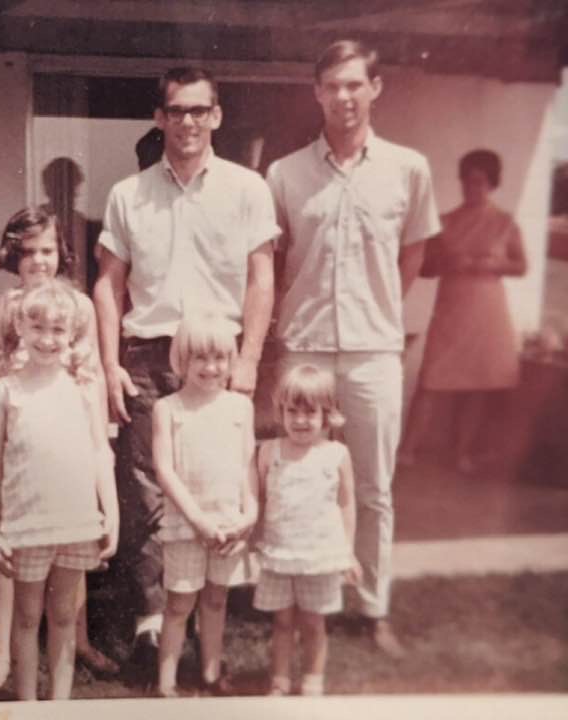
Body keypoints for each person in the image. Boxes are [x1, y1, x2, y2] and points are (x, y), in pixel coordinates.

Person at [93, 66, 279, 674]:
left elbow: (261, 278)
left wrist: (248, 360)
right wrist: (109, 364)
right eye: (177, 111)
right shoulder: (129, 194)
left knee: (217, 480)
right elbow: (107, 284)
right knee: (147, 486)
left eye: (200, 110)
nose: (188, 122)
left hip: (218, 357)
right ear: (160, 117)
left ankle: (209, 618)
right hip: (147, 353)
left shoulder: (248, 189)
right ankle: (153, 621)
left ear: (216, 116)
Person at [266, 40, 441, 658]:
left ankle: (372, 609)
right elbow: (276, 259)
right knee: (294, 478)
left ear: (375, 89)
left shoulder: (408, 168)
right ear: (316, 92)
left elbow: (413, 255)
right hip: (305, 347)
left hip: (372, 350)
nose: (343, 97)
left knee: (372, 488)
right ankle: (290, 598)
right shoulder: (284, 173)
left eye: (354, 85)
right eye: (332, 86)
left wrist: (380, 306)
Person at [0, 207, 119, 691]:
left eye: (47, 250)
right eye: (28, 251)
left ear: (61, 253)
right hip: (15, 427)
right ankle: (3, 651)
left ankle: (80, 641)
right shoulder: (1, 310)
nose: (38, 261)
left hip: (68, 429)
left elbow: (88, 370)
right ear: (14, 255)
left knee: (69, 549)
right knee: (17, 546)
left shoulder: (78, 307)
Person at [151, 312, 258, 698]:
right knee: (180, 604)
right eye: (200, 358)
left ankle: (211, 675)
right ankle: (167, 684)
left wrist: (249, 515)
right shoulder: (169, 409)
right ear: (182, 359)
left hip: (228, 524)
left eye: (219, 359)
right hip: (186, 524)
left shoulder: (240, 408)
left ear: (230, 362)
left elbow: (248, 466)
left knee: (216, 599)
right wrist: (197, 520)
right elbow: (165, 470)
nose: (211, 368)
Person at [399, 150, 527, 473]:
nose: (473, 188)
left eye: (480, 182)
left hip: (488, 310)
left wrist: (492, 263)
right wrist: (448, 262)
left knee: (476, 383)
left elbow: (521, 265)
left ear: (492, 184)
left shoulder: (505, 222)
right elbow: (426, 266)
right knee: (431, 380)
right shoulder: (445, 222)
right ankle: (407, 449)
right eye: (468, 182)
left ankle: (462, 453)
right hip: (452, 308)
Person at [254, 364, 361, 696]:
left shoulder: (336, 454)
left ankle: (313, 679)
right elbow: (259, 496)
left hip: (320, 556)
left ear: (327, 414)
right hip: (279, 552)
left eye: (310, 411)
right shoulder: (269, 451)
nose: (300, 420)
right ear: (281, 411)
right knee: (282, 623)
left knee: (314, 624)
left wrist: (347, 552)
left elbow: (346, 503)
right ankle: (280, 680)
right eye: (292, 411)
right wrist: (254, 538)